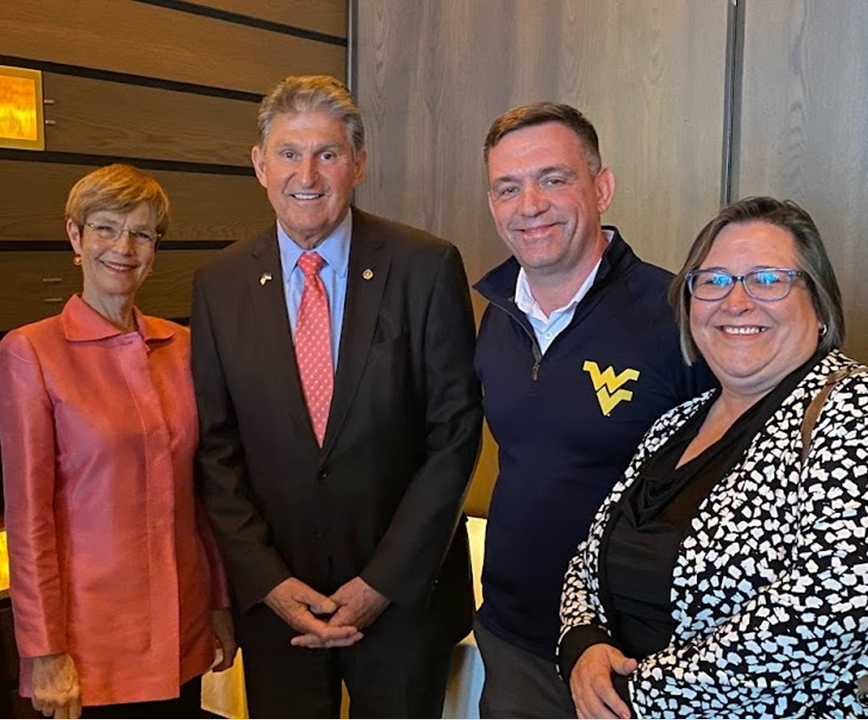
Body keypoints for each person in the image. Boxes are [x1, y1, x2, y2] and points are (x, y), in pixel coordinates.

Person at [190, 75, 482, 718]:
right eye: (289, 153)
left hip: (404, 605)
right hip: (279, 609)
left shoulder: (425, 266)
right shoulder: (218, 284)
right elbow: (216, 449)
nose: (308, 174)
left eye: (327, 153)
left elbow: (455, 435)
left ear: (359, 164)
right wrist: (268, 582)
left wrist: (382, 583)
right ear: (259, 165)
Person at [559, 196, 868, 717]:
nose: (737, 302)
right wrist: (582, 646)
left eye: (768, 279)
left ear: (818, 305)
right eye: (714, 280)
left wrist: (636, 693)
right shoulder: (677, 423)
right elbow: (588, 558)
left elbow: (835, 607)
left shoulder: (851, 409)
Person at [472, 102, 714, 718]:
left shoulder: (677, 317)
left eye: (553, 179)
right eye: (508, 187)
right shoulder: (496, 311)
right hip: (511, 636)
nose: (530, 205)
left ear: (601, 187)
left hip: (629, 657)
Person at [0, 164, 237, 719]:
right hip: (89, 645)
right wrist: (43, 649)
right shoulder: (31, 353)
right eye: (106, 228)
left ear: (156, 247)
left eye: (142, 233)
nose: (123, 247)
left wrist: (220, 603)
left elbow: (206, 493)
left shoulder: (183, 347)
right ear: (75, 237)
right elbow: (28, 518)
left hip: (182, 626)